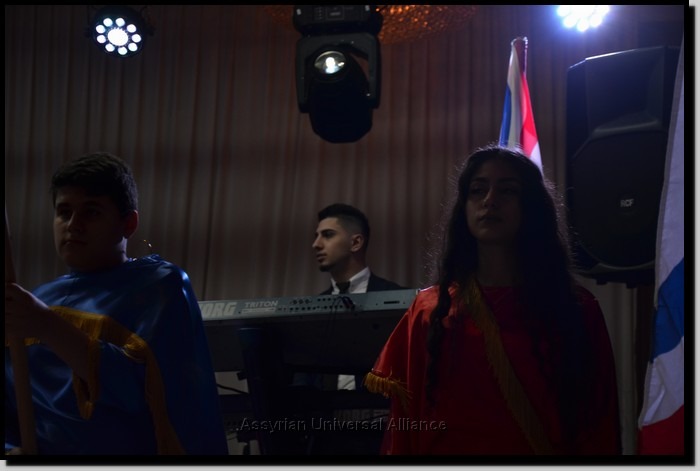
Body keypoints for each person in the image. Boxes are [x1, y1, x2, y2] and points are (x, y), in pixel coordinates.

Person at [364, 145, 621, 455]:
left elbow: (600, 423)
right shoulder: (429, 309)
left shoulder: (576, 308)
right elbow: (404, 423)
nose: (489, 200)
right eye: (477, 190)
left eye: (507, 190)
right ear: (464, 207)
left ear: (531, 206)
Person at [4, 152, 228, 456]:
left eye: (91, 212)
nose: (73, 225)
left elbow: (141, 391)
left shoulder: (156, 287)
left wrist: (47, 325)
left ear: (128, 223)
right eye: (64, 212)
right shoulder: (35, 301)